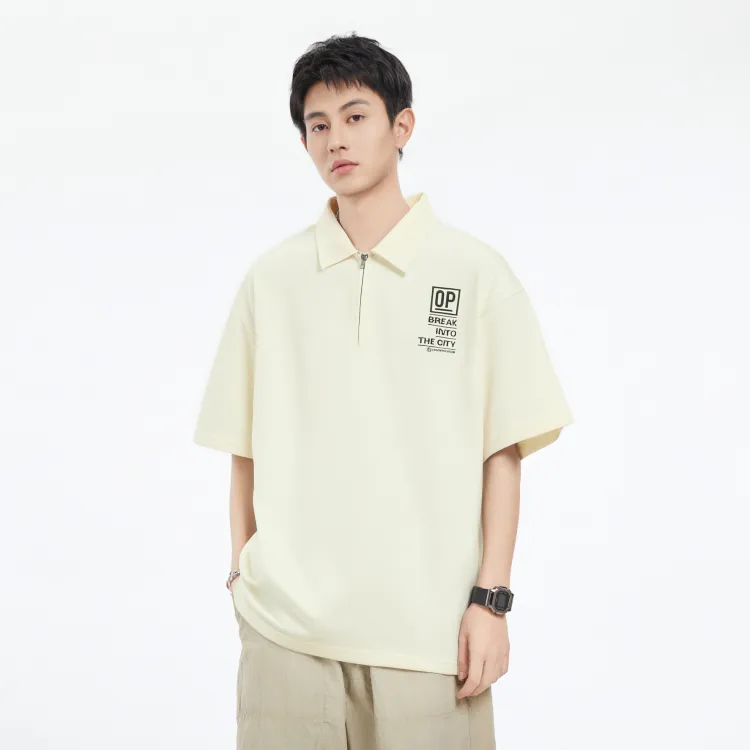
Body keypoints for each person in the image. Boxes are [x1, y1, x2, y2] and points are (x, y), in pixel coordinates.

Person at [193, 32, 574, 750]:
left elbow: (502, 450)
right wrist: (243, 574)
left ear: (403, 126)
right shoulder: (271, 281)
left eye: (355, 116)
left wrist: (491, 601)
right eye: (317, 125)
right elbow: (243, 446)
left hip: (429, 636)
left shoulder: (475, 274)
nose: (335, 139)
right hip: (286, 636)